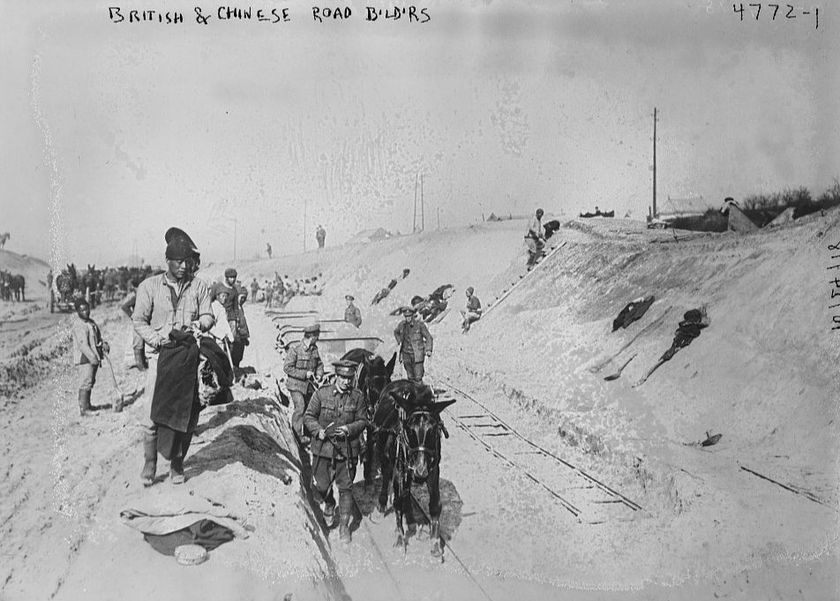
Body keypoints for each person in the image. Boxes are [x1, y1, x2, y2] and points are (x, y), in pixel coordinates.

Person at [133, 227, 213, 486]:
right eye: (178, 262)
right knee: (151, 415)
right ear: (167, 261)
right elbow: (138, 320)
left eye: (187, 261)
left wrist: (201, 324)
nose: (184, 266)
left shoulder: (199, 286)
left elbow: (208, 315)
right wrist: (157, 340)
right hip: (160, 358)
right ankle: (150, 463)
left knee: (186, 416)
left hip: (188, 358)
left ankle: (177, 465)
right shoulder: (149, 287)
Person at [304, 359, 368, 544]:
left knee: (346, 488)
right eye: (343, 378)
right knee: (321, 486)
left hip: (347, 451)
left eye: (349, 378)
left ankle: (344, 526)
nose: (346, 382)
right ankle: (330, 503)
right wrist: (318, 430)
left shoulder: (357, 397)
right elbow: (308, 416)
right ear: (336, 376)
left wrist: (349, 429)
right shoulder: (321, 394)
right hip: (323, 450)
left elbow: (363, 420)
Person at [283, 323, 325, 444]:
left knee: (310, 409)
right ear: (312, 337)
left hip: (309, 386)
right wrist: (304, 374)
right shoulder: (295, 349)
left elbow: (319, 364)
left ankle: (308, 435)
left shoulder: (314, 349)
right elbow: (287, 368)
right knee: (300, 407)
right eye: (317, 337)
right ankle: (297, 437)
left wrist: (319, 375)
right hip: (295, 385)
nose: (317, 339)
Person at [72, 297, 109, 416]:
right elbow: (83, 346)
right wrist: (93, 359)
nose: (85, 312)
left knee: (90, 381)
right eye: (82, 310)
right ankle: (84, 409)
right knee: (86, 381)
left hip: (93, 357)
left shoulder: (91, 322)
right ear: (78, 312)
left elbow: (97, 338)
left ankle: (88, 405)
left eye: (87, 309)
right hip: (85, 358)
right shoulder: (79, 325)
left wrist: (103, 343)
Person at [221, 268, 250, 376]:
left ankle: (236, 367)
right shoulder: (229, 307)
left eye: (244, 299)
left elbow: (243, 323)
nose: (242, 300)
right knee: (230, 349)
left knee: (239, 350)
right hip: (231, 330)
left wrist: (245, 336)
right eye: (241, 298)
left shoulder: (240, 308)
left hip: (240, 333)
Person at [393, 306, 433, 383]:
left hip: (417, 355)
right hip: (406, 355)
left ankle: (419, 389)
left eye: (409, 316)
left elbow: (429, 337)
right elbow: (396, 332)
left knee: (418, 377)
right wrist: (399, 341)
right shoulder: (402, 325)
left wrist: (428, 349)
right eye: (406, 316)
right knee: (410, 377)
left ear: (412, 316)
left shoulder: (419, 325)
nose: (408, 318)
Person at [120, 284, 147, 370]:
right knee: (138, 344)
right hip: (137, 323)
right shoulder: (136, 298)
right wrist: (133, 316)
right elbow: (125, 307)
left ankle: (143, 362)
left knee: (143, 343)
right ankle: (139, 364)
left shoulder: (146, 296)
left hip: (145, 322)